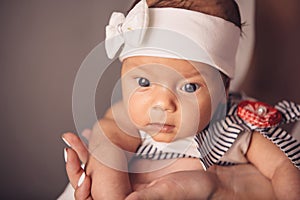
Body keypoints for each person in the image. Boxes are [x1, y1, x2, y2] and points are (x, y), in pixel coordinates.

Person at [61, 0, 300, 199]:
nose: (163, 104)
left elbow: (284, 166)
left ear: (223, 91)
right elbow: (107, 156)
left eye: (189, 87)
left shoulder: (234, 126)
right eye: (144, 83)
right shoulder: (126, 119)